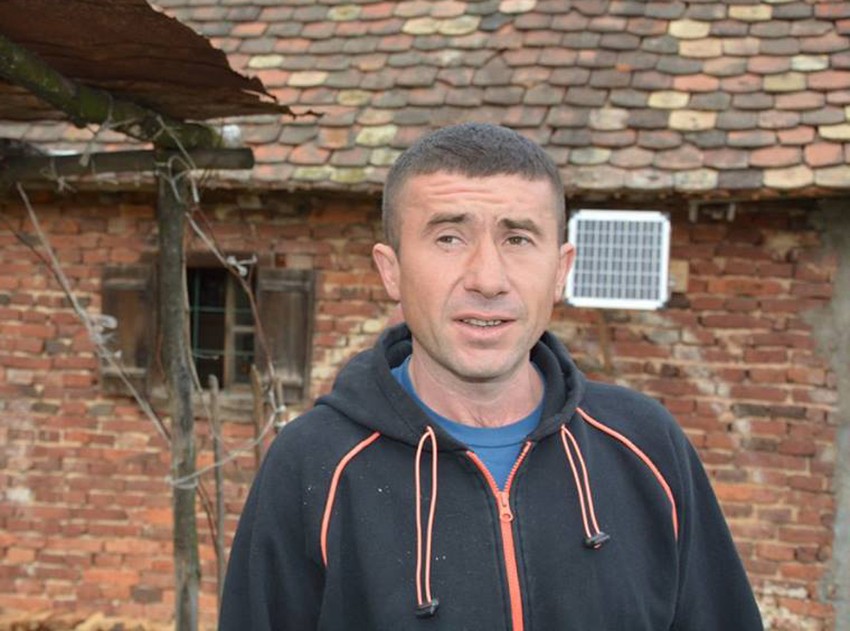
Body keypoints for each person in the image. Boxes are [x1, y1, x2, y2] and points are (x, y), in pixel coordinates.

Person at [220, 123, 764, 630]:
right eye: (449, 238)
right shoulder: (312, 466)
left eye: (518, 239)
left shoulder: (647, 447)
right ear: (392, 270)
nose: (487, 279)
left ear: (561, 269)